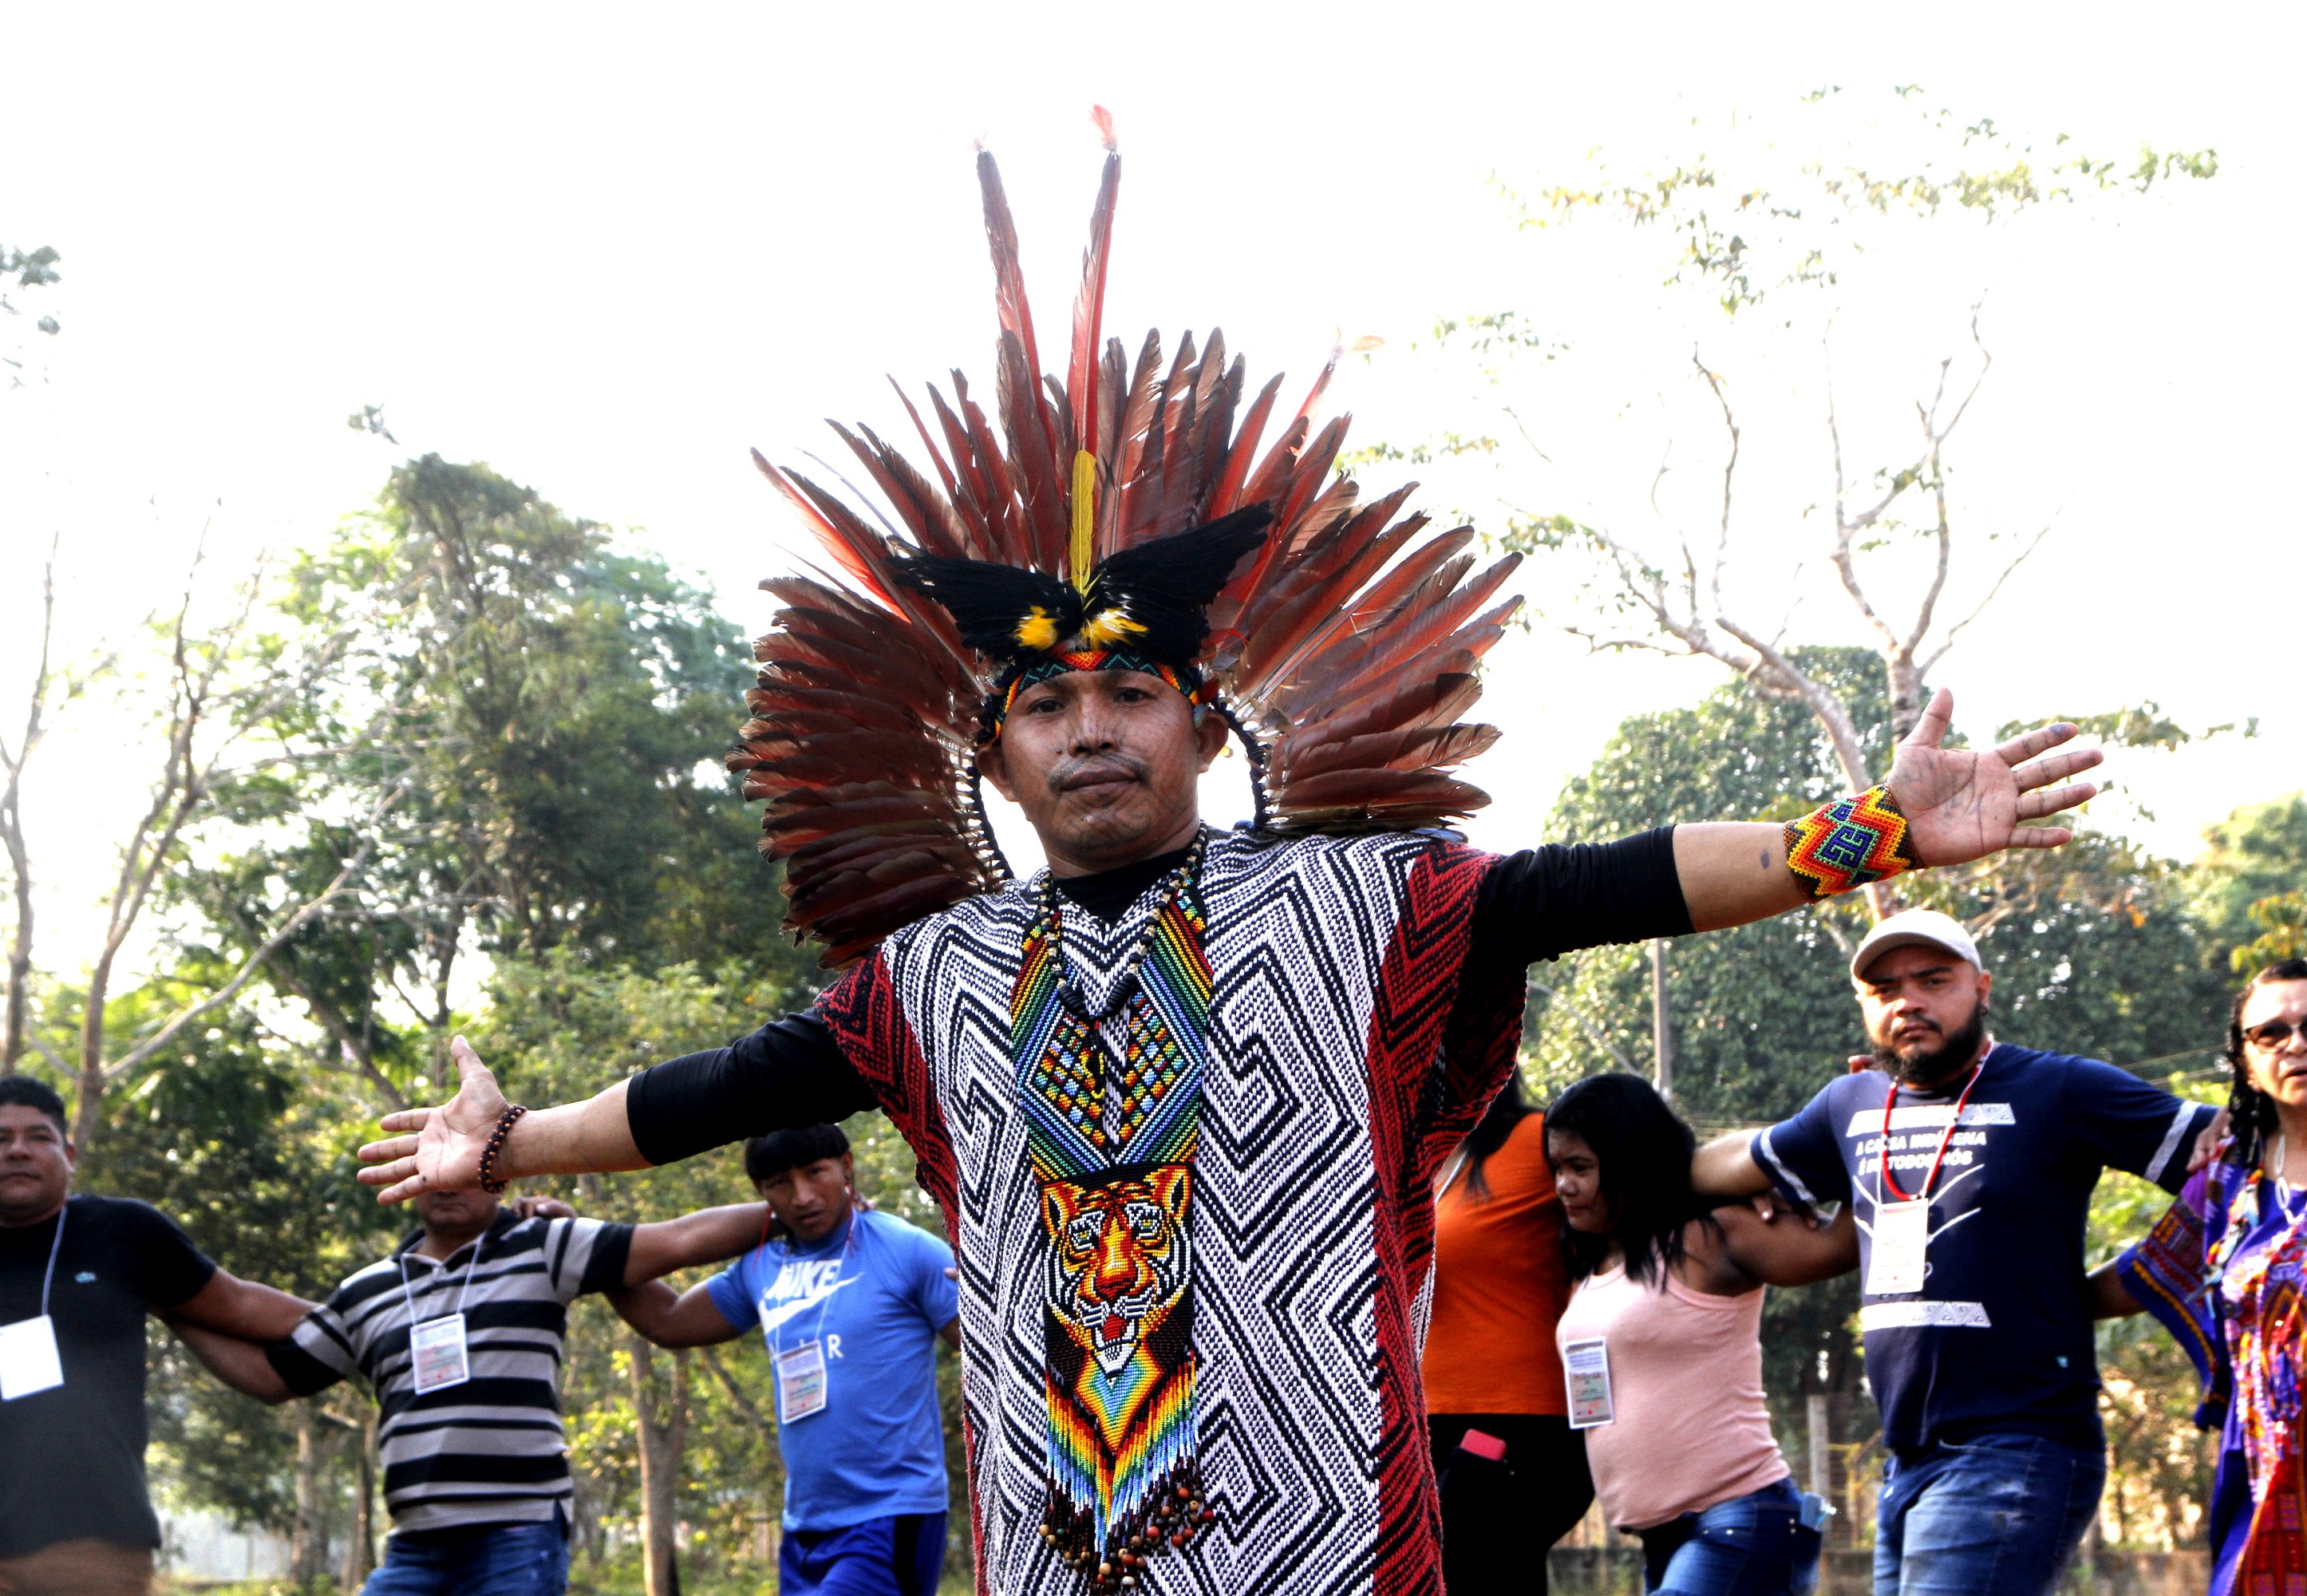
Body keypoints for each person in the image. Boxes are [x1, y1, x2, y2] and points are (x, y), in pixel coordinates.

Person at [353, 127, 2102, 1596]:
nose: (1094, 724)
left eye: (1135, 689)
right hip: (1052, 1542)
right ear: (999, 756)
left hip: (1330, 1543)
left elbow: (1612, 880)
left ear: (1206, 727)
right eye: (1047, 700)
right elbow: (698, 1099)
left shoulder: (1371, 901)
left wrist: (1867, 837)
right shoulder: (931, 977)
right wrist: (502, 1144)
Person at [1693, 908, 2221, 1595]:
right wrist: (1630, 1167)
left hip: (2018, 1444)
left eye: (1933, 980)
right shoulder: (1850, 1104)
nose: (1909, 1000)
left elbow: (2233, 1160)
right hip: (1905, 1458)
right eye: (1884, 989)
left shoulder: (2058, 1089)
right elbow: (1726, 1164)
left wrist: (2127, 1283)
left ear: (1982, 988)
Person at [168, 1180, 769, 1595]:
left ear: (499, 1178)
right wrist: (168, 1304)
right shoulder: (366, 1292)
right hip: (413, 1545)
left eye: (466, 1168)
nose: (449, 1184)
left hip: (516, 1533)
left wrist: (788, 1210)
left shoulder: (543, 1246)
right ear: (409, 1182)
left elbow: (680, 1239)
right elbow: (274, 1376)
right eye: (434, 1169)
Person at [0, 1076, 314, 1596]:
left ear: (69, 1154)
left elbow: (239, 1305)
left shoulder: (126, 1233)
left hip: (96, 1545)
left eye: (39, 1137)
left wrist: (374, 1314)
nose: (18, 1150)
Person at [608, 1125, 960, 1596]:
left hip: (892, 1514)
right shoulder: (762, 1264)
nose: (803, 1196)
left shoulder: (906, 1250)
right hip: (804, 1523)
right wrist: (592, 1257)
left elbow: (989, 1348)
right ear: (760, 1193)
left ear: (847, 1166)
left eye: (816, 1173)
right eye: (780, 1184)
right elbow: (669, 1321)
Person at [1548, 1073, 1852, 1594]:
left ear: (1629, 1163)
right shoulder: (1591, 1266)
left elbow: (1842, 1246)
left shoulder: (1707, 1237)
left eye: (1581, 1168)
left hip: (1739, 1517)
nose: (1563, 1185)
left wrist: (1854, 1135)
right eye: (1556, 1168)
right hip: (1663, 1539)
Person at [2100, 957, 2307, 1595]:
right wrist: (2013, 1288)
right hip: (2266, 1473)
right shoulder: (2227, 1180)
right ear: (2247, 1063)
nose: (2296, 1043)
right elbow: (2145, 1272)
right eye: (2271, 1033)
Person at [1422, 1076, 1594, 1595]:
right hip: (1427, 1426)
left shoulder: (1537, 1137)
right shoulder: (1420, 1163)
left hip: (1523, 1425)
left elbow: (1647, 1175)